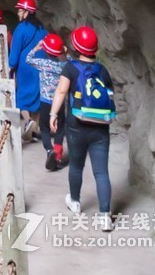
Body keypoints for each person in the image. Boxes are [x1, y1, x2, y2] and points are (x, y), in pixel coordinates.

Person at [49, 24, 116, 229]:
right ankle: (105, 216)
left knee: (77, 166)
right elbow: (110, 96)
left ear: (76, 47)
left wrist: (53, 114)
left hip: (76, 125)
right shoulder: (102, 70)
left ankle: (75, 202)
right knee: (101, 172)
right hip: (100, 128)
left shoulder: (70, 68)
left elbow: (61, 92)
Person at [26, 30, 67, 167]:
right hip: (59, 103)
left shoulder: (43, 63)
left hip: (45, 102)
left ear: (46, 51)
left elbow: (28, 59)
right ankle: (58, 155)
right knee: (60, 129)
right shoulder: (64, 66)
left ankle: (49, 150)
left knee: (44, 128)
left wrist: (36, 47)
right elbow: (73, 63)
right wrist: (64, 53)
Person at [7, 0, 46, 134]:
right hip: (40, 66)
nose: (18, 12)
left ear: (26, 12)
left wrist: (11, 66)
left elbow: (15, 49)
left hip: (26, 67)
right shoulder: (42, 28)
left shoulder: (21, 28)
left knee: (22, 96)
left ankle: (28, 121)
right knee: (37, 95)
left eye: (20, 10)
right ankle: (35, 129)